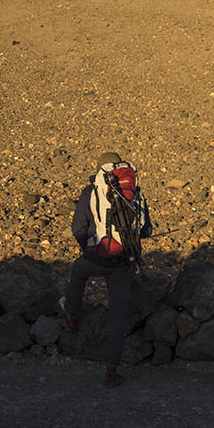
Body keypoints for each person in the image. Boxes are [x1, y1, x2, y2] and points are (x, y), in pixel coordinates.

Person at [59, 151, 152, 387]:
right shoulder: (135, 193)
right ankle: (111, 371)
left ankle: (70, 317)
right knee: (117, 315)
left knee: (78, 271)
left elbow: (78, 228)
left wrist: (91, 248)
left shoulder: (92, 192)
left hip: (96, 259)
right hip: (124, 262)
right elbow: (145, 230)